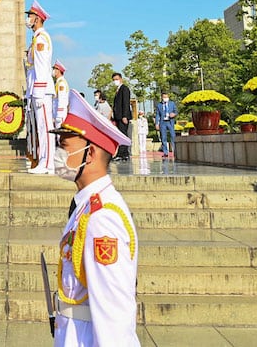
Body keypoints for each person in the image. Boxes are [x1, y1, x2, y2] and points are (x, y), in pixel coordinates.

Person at [50, 89, 139, 346]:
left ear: (90, 154)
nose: (58, 153)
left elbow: (114, 313)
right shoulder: (85, 206)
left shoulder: (103, 218)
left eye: (64, 145)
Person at [24, 0, 54, 174]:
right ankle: (44, 161)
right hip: (36, 88)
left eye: (30, 16)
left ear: (38, 19)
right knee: (41, 127)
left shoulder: (42, 38)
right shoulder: (36, 38)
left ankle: (48, 163)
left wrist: (39, 90)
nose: (28, 19)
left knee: (45, 127)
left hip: (41, 89)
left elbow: (42, 66)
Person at [111, 73, 132, 161]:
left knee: (123, 135)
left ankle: (121, 153)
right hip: (118, 116)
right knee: (121, 134)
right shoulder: (118, 90)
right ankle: (125, 154)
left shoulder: (124, 89)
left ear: (121, 79)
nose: (115, 81)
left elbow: (126, 103)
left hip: (123, 116)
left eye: (117, 79)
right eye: (114, 80)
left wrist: (124, 116)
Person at [155, 92, 178, 158]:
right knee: (163, 137)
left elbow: (176, 111)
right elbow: (157, 115)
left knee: (173, 136)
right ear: (162, 98)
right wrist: (157, 123)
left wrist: (174, 114)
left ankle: (174, 151)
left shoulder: (172, 103)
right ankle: (165, 152)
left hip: (170, 122)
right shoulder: (159, 105)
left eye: (166, 97)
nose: (165, 98)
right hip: (163, 122)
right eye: (164, 97)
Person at [52, 61, 70, 127]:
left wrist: (59, 114)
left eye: (54, 69)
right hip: (56, 113)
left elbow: (61, 99)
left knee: (59, 134)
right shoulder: (57, 82)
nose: (53, 71)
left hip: (60, 113)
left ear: (58, 70)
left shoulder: (61, 83)